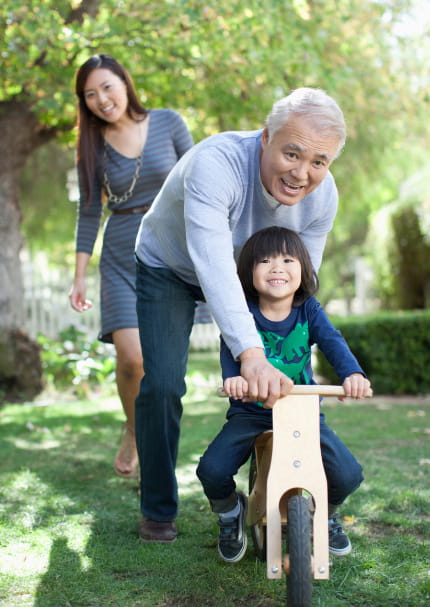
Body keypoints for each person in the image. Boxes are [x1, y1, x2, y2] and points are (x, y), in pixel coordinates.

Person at [134, 87, 347, 542]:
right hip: (171, 266)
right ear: (266, 137)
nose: (302, 173)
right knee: (165, 384)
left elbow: (297, 287)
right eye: (292, 153)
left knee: (272, 377)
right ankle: (157, 507)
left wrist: (280, 363)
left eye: (318, 162)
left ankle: (266, 479)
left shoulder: (323, 196)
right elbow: (212, 265)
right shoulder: (218, 163)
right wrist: (250, 352)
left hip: (250, 276)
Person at [196, 226, 371, 563]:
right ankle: (231, 512)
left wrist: (352, 374)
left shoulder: (309, 310)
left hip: (301, 410)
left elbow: (333, 342)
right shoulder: (242, 314)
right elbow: (230, 348)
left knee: (348, 474)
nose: (277, 267)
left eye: (288, 259)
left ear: (303, 268)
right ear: (249, 272)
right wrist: (233, 379)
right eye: (265, 260)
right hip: (251, 410)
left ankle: (324, 513)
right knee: (212, 470)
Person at [68, 53, 199, 479]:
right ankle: (132, 427)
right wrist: (79, 275)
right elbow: (89, 212)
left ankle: (147, 436)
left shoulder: (169, 122)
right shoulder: (90, 147)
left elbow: (200, 180)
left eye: (107, 86)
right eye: (90, 94)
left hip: (169, 251)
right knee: (131, 359)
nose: (101, 99)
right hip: (121, 255)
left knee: (159, 366)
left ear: (124, 82)